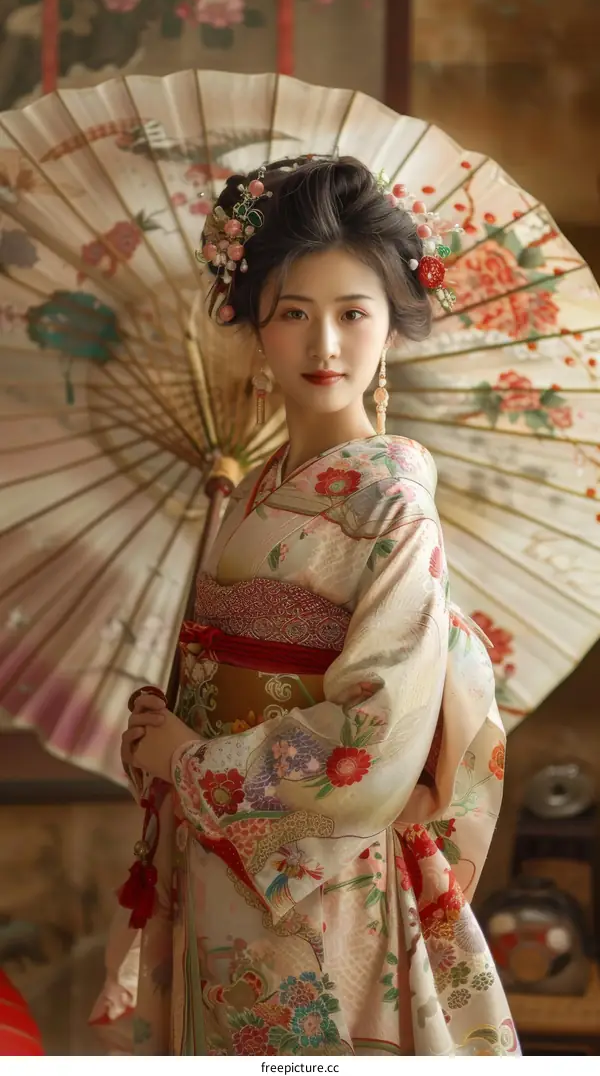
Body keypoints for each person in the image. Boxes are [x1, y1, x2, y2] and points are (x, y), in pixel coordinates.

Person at [91, 157, 518, 1057]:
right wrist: (166, 725)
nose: (324, 345)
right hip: (219, 861)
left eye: (353, 313)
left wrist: (199, 763)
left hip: (315, 879)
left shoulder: (392, 498)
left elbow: (378, 736)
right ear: (254, 331)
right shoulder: (248, 492)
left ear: (391, 330)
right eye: (293, 314)